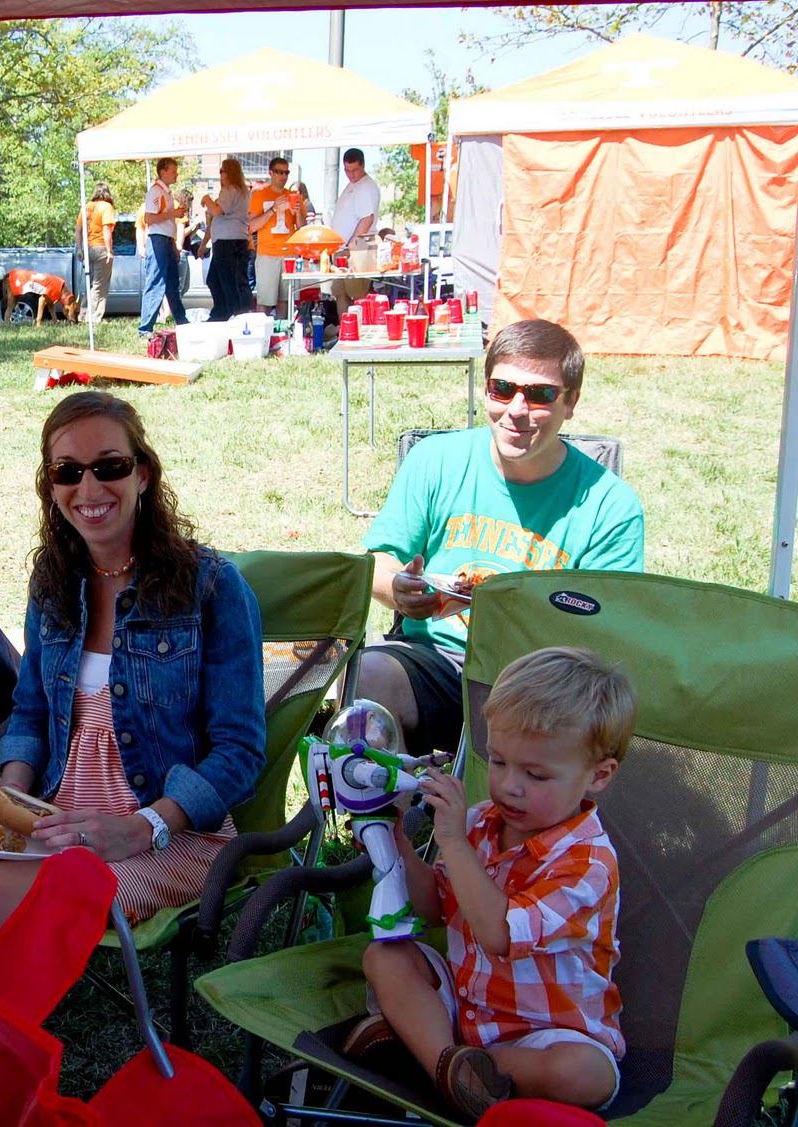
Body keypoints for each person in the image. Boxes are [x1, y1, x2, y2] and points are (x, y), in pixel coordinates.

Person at [0, 390, 265, 969]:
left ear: (144, 474)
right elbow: (30, 712)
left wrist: (144, 825)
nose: (88, 489)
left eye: (110, 467)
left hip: (169, 837)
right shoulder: (55, 583)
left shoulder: (210, 587)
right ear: (50, 485)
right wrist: (7, 792)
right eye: (67, 471)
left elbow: (240, 751)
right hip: (56, 817)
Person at [356, 646, 634, 1120]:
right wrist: (395, 836)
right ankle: (451, 1068)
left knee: (585, 1073)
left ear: (599, 776)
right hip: (464, 1009)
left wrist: (453, 843)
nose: (508, 786)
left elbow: (499, 935)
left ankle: (435, 1061)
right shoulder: (483, 823)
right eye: (499, 762)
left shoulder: (589, 862)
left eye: (535, 774)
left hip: (546, 1034)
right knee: (385, 956)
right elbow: (434, 909)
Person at [358, 319, 645, 757]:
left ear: (571, 402)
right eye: (502, 388)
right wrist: (400, 590)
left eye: (541, 394)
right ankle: (384, 823)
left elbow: (606, 633)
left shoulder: (610, 506)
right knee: (367, 674)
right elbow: (379, 562)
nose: (517, 408)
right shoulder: (436, 460)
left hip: (543, 683)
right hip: (437, 658)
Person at [249, 158, 307, 319]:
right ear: (271, 173)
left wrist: (299, 212)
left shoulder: (293, 196)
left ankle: (282, 337)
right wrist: (273, 210)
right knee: (265, 302)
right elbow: (252, 226)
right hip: (267, 253)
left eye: (286, 172)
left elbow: (302, 228)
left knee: (285, 301)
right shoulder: (259, 196)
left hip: (289, 254)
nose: (283, 176)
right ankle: (262, 336)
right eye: (279, 172)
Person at [136, 157, 189, 336]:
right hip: (157, 239)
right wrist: (173, 214)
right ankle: (145, 328)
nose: (176, 174)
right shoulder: (155, 192)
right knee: (156, 282)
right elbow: (149, 218)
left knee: (173, 284)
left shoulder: (166, 193)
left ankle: (182, 321)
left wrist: (174, 243)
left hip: (166, 240)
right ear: (163, 172)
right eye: (173, 171)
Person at [330, 148, 381, 317]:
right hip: (344, 249)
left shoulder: (365, 186)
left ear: (363, 165)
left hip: (359, 248)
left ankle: (359, 333)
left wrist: (350, 247)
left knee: (357, 295)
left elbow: (367, 219)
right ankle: (346, 331)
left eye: (354, 170)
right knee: (340, 292)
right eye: (347, 170)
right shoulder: (353, 185)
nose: (350, 174)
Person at [201, 158, 252, 321]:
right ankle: (221, 312)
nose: (220, 174)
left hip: (229, 242)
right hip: (225, 240)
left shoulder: (231, 190)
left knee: (229, 282)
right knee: (215, 280)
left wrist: (207, 199)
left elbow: (217, 211)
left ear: (230, 173)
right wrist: (203, 244)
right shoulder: (240, 191)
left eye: (222, 171)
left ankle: (234, 315)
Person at [77, 183, 116, 324]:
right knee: (100, 285)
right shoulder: (107, 207)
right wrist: (109, 250)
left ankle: (83, 314)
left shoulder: (87, 207)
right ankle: (93, 317)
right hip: (100, 248)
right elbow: (106, 229)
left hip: (88, 248)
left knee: (90, 283)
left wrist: (80, 248)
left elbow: (79, 229)